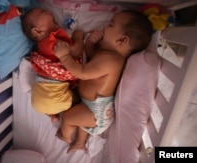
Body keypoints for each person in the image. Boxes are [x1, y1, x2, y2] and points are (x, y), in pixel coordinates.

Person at [54, 10, 153, 153]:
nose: (105, 26)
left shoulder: (112, 61)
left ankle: (66, 136)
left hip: (96, 112)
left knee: (69, 117)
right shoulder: (109, 56)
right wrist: (90, 44)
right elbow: (92, 59)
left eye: (111, 25)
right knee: (81, 122)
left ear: (122, 40)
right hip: (93, 107)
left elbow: (83, 72)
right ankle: (80, 143)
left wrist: (64, 57)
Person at [21, 8, 84, 123]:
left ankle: (52, 115)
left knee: (53, 104)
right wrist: (78, 38)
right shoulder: (51, 42)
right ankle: (61, 115)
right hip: (50, 97)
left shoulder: (42, 46)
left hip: (39, 101)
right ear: (37, 31)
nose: (50, 12)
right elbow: (75, 52)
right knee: (79, 97)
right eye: (43, 12)